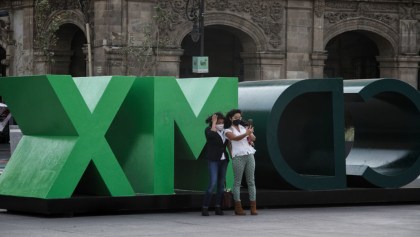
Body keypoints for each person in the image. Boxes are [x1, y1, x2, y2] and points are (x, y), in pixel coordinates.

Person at [225, 109, 257, 215]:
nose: (238, 119)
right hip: (238, 156)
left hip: (249, 154)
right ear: (231, 118)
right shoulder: (228, 130)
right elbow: (235, 138)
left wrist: (250, 133)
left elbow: (253, 138)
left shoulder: (244, 127)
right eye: (236, 118)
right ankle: (238, 207)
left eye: (240, 117)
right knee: (237, 182)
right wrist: (246, 134)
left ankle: (253, 207)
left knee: (251, 181)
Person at [201, 112, 229, 216]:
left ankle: (218, 207)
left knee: (221, 185)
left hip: (223, 160)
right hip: (213, 159)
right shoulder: (208, 130)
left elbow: (228, 143)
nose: (221, 124)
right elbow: (211, 135)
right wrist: (213, 122)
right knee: (212, 182)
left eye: (222, 122)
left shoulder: (225, 132)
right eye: (219, 122)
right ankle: (205, 207)